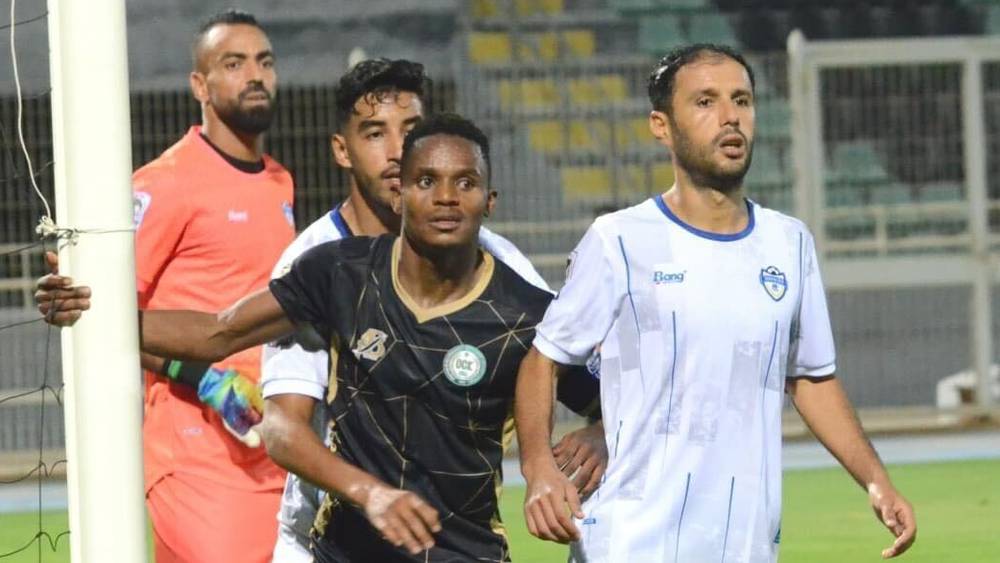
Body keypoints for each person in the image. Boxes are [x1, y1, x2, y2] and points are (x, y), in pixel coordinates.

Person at [42, 114, 587, 562]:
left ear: (489, 201)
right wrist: (96, 307)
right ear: (399, 195)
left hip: (463, 553)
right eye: (426, 181)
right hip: (342, 551)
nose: (446, 197)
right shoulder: (339, 271)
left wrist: (596, 438)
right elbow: (218, 332)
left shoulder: (525, 313)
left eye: (465, 183)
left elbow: (608, 399)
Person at [514, 44, 918, 562]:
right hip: (631, 542)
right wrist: (538, 469)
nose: (730, 116)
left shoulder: (789, 243)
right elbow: (543, 360)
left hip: (744, 544)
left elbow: (811, 379)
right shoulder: (619, 241)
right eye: (705, 102)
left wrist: (876, 481)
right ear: (661, 126)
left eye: (741, 100)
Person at [260, 59, 606, 561]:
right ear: (342, 149)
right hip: (326, 538)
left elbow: (582, 379)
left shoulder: (501, 264)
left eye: (411, 130)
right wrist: (370, 493)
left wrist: (600, 432)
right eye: (375, 133)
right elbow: (281, 426)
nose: (396, 150)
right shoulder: (316, 265)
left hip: (453, 544)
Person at [39, 10, 291, 562]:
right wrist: (204, 379)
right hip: (196, 455)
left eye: (264, 62)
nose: (255, 75)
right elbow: (101, 315)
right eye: (234, 63)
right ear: (200, 85)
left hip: (272, 447)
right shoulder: (166, 183)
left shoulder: (280, 182)